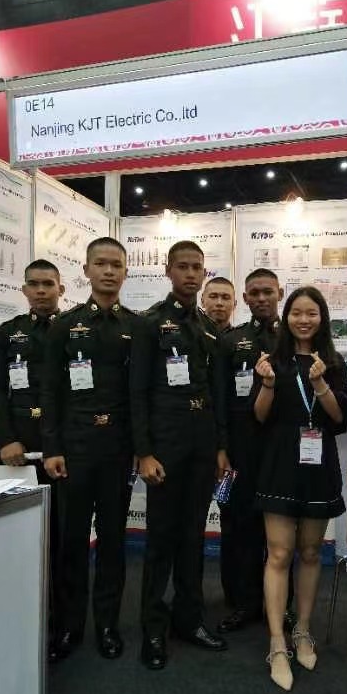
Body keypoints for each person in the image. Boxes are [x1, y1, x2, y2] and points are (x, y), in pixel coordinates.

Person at [130, 240, 228, 671]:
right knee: (161, 541)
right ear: (168, 271)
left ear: (204, 274)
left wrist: (220, 446)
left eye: (197, 268)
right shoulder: (150, 323)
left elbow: (216, 393)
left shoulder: (208, 328)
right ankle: (154, 627)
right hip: (165, 446)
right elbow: (136, 393)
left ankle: (189, 619)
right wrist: (144, 452)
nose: (190, 274)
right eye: (183, 267)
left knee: (193, 537)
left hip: (202, 445)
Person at [41, 237, 139, 661]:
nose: (108, 271)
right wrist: (52, 447)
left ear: (125, 272)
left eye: (116, 264)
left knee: (114, 542)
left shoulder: (136, 327)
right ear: (86, 270)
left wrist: (140, 448)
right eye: (101, 263)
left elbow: (140, 395)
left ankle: (107, 625)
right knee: (73, 541)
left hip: (117, 449)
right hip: (75, 449)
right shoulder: (65, 326)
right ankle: (69, 626)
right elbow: (50, 391)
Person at [253, 286, 347, 690]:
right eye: (297, 312)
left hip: (318, 464)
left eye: (312, 313)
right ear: (286, 317)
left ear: (322, 318)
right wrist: (268, 384)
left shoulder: (333, 362)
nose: (304, 320)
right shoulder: (272, 361)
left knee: (311, 553)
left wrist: (321, 383)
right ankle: (277, 642)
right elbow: (259, 417)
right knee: (279, 553)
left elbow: (340, 418)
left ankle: (303, 631)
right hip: (280, 463)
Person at [0, 258, 65, 660]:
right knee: (19, 539)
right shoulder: (9, 332)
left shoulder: (73, 330)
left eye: (48, 284)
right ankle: (17, 618)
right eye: (34, 284)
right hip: (17, 451)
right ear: (24, 290)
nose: (41, 290)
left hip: (60, 452)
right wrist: (6, 440)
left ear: (61, 289)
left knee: (59, 540)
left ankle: (58, 623)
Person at [218, 268, 295, 634]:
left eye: (268, 291)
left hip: (283, 448)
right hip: (242, 449)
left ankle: (282, 605)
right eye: (254, 293)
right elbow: (220, 400)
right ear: (245, 298)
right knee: (242, 527)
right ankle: (245, 603)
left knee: (283, 530)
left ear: (280, 292)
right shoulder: (231, 341)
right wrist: (221, 448)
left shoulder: (294, 336)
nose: (262, 298)